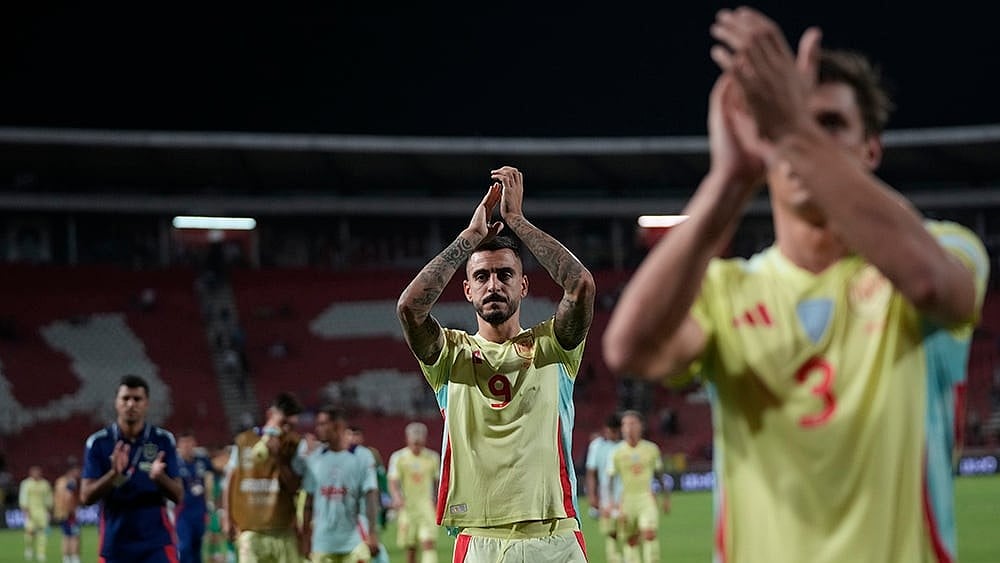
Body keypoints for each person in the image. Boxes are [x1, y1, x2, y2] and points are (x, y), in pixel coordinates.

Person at [602, 7, 990, 563]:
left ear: (870, 150)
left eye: (828, 124)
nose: (803, 138)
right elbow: (629, 348)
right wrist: (729, 180)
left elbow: (935, 287)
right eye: (787, 123)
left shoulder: (945, 248)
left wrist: (789, 127)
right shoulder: (723, 287)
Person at [397, 165, 596, 562]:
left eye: (505, 274)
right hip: (480, 541)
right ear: (467, 289)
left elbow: (580, 285)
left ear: (523, 285)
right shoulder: (450, 356)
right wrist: (468, 238)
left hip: (554, 538)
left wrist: (517, 222)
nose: (494, 285)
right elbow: (410, 308)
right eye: (482, 276)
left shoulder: (553, 347)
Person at [81, 374, 184, 563]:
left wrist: (159, 478)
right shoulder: (98, 443)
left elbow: (178, 495)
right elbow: (86, 496)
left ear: (146, 404)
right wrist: (113, 475)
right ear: (116, 403)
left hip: (156, 544)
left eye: (137, 399)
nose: (131, 404)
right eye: (125, 398)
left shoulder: (162, 440)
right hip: (115, 544)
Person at [223, 391, 304, 563]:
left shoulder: (295, 445)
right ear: (270, 415)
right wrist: (227, 518)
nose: (286, 430)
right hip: (250, 531)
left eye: (291, 425)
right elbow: (230, 480)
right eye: (283, 423)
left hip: (283, 530)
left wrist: (278, 458)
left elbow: (294, 487)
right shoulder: (244, 440)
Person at [300, 405, 381, 562]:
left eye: (323, 424)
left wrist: (372, 533)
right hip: (322, 542)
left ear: (338, 426)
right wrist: (305, 537)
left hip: (355, 541)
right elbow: (308, 501)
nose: (318, 429)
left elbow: (371, 496)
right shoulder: (315, 458)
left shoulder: (362, 457)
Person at [606, 411, 669, 563]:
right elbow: (610, 480)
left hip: (646, 498)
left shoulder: (651, 449)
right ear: (621, 428)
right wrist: (611, 503)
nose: (629, 428)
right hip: (626, 501)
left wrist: (666, 497)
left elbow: (660, 474)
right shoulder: (616, 452)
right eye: (625, 424)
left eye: (633, 423)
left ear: (641, 426)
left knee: (649, 534)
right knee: (631, 540)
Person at [387, 422, 441, 563]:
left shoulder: (432, 457)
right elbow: (393, 481)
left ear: (424, 440)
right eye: (414, 442)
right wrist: (397, 497)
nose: (416, 445)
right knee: (410, 548)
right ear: (408, 439)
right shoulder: (398, 457)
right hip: (407, 508)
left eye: (419, 442)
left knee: (428, 543)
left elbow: (438, 482)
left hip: (426, 506)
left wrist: (437, 500)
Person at [585, 413, 623, 563]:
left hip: (624, 494)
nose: (613, 434)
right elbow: (591, 473)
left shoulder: (624, 446)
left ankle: (623, 556)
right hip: (606, 495)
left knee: (626, 529)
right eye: (610, 431)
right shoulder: (597, 446)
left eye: (615, 431)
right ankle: (615, 558)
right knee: (611, 531)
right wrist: (592, 495)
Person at [176, 432, 215, 563]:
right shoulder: (175, 463)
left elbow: (213, 473)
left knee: (197, 547)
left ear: (194, 444)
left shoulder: (202, 461)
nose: (187, 446)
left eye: (189, 442)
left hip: (200, 510)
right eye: (184, 443)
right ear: (179, 445)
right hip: (183, 511)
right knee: (184, 546)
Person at [18, 465, 53, 562]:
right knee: (30, 533)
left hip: (42, 512)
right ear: (31, 473)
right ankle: (29, 548)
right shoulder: (26, 483)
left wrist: (48, 511)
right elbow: (23, 497)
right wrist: (25, 510)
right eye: (35, 472)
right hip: (30, 511)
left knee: (43, 533)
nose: (37, 474)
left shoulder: (45, 484)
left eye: (38, 472)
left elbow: (48, 498)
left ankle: (41, 553)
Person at [53, 459, 83, 563]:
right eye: (77, 471)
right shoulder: (71, 482)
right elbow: (68, 497)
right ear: (71, 471)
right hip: (69, 514)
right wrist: (72, 511)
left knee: (66, 536)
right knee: (75, 535)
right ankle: (75, 558)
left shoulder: (59, 481)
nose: (79, 473)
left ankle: (66, 558)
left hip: (61, 513)